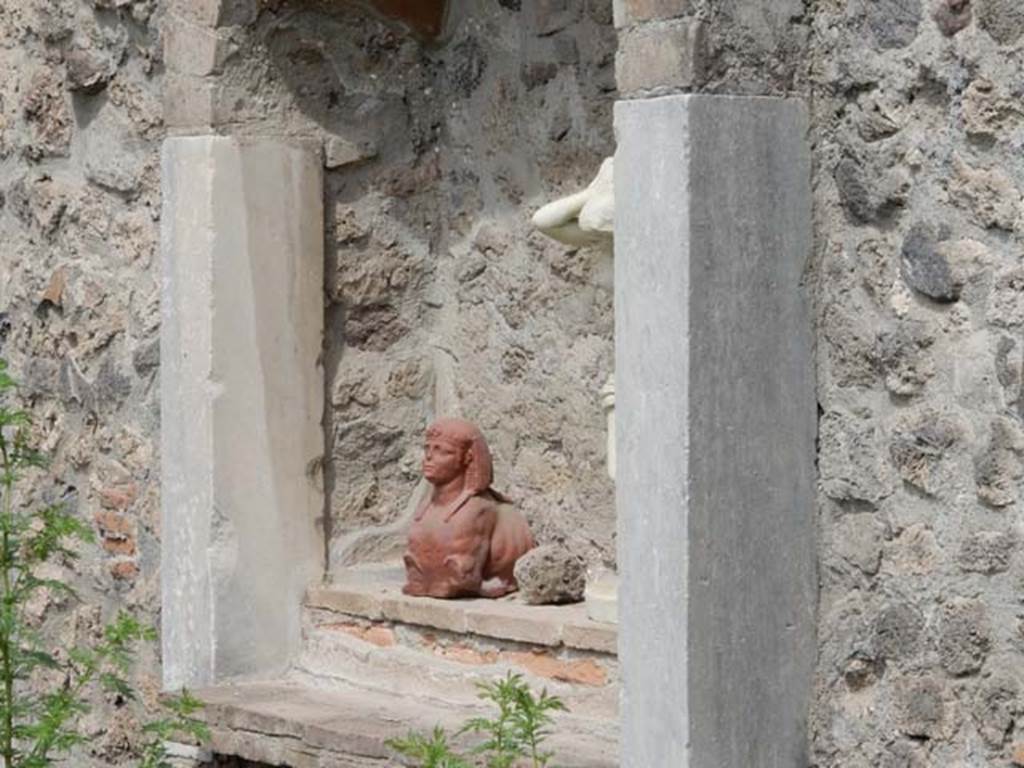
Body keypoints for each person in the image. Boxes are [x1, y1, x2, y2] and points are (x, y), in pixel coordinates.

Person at [402, 418, 534, 598]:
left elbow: (464, 575)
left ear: (466, 458)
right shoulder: (426, 505)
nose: (429, 458)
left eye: (443, 452)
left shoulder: (477, 509)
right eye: (428, 449)